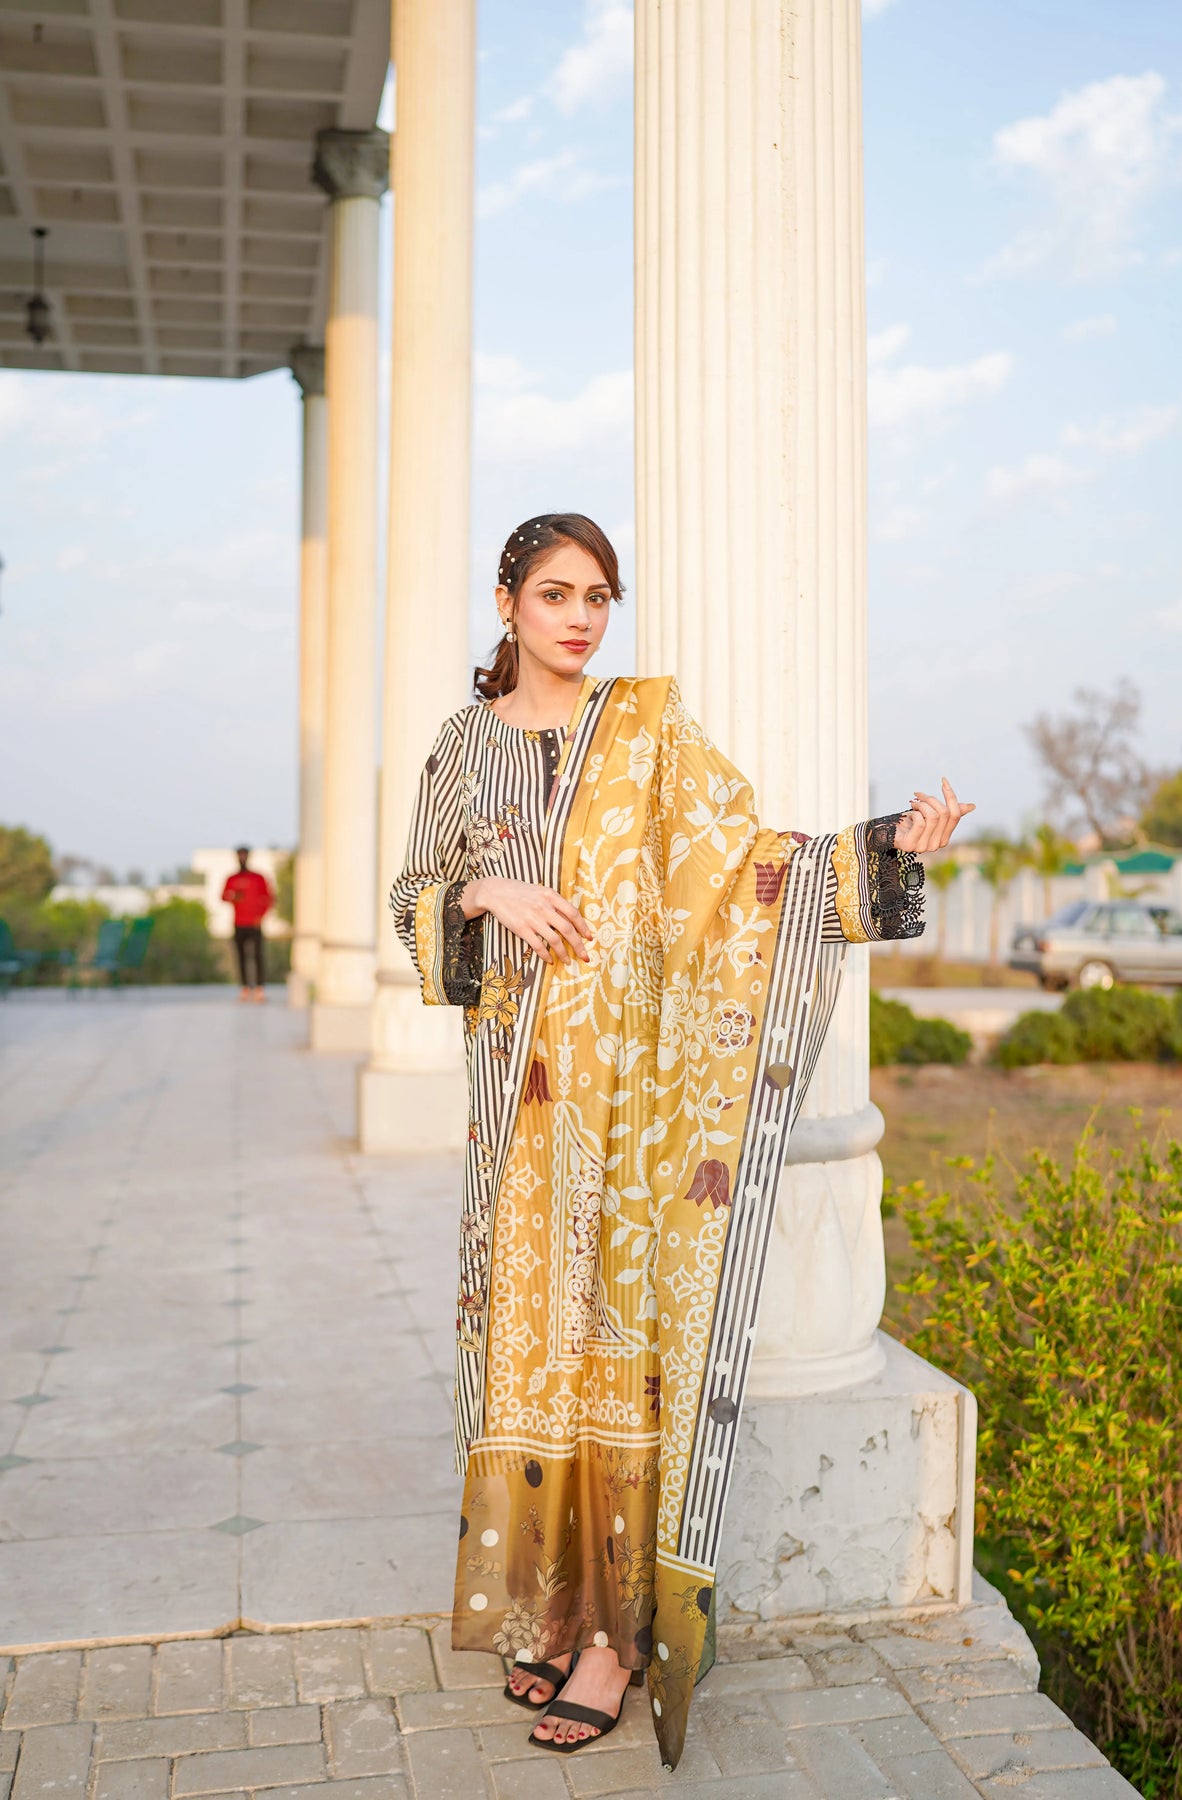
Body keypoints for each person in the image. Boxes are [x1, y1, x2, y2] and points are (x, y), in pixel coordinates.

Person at [389, 513, 975, 1771]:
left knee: (623, 1347)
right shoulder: (459, 748)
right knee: (530, 1349)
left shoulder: (649, 732)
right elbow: (411, 902)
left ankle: (615, 1641)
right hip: (518, 1113)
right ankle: (552, 1610)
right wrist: (485, 891)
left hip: (641, 1111)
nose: (581, 618)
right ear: (507, 602)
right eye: (556, 594)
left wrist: (884, 847)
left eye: (599, 596)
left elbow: (746, 869)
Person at [222, 846, 273, 1003]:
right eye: (240, 855)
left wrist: (260, 916)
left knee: (258, 956)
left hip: (255, 924)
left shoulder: (258, 878)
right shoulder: (232, 879)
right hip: (239, 923)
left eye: (244, 855)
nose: (242, 858)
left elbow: (269, 898)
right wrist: (234, 897)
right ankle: (244, 988)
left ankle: (259, 989)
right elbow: (224, 896)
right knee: (241, 957)